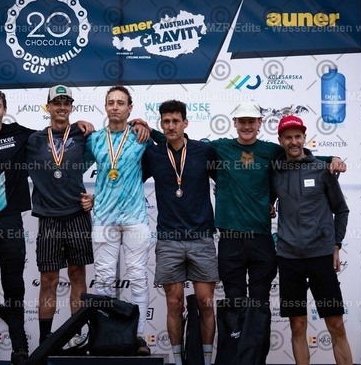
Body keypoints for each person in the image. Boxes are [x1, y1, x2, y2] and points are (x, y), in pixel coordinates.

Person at [0, 88, 94, 364]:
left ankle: (25, 348)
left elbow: (63, 138)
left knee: (17, 287)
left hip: (15, 221)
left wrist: (83, 125)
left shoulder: (23, 135)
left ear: (4, 109)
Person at [211, 101, 346, 363]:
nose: (247, 126)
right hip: (256, 248)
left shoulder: (276, 153)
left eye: (252, 121)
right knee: (244, 310)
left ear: (260, 123)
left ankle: (256, 360)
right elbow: (185, 145)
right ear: (235, 123)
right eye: (242, 121)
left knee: (264, 309)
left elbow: (307, 160)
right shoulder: (222, 148)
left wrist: (332, 159)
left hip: (290, 249)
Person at [271, 115, 352, 365]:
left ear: (305, 138)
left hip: (320, 256)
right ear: (281, 141)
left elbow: (341, 210)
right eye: (288, 137)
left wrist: (336, 244)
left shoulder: (322, 169)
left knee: (336, 324)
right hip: (289, 258)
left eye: (298, 136)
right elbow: (266, 200)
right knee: (297, 325)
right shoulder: (275, 172)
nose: (293, 142)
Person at [142, 100, 218, 365]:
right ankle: (177, 361)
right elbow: (129, 180)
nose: (171, 126)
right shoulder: (153, 154)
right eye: (166, 121)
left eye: (176, 121)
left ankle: (206, 361)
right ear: (161, 124)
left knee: (206, 302)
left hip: (201, 237)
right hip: (169, 239)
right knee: (174, 303)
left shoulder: (204, 151)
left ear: (185, 123)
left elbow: (228, 182)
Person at [84, 85, 152, 356]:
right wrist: (83, 196)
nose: (115, 107)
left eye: (120, 103)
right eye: (111, 102)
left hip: (135, 217)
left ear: (129, 108)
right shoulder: (94, 139)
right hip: (104, 217)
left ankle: (139, 336)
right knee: (103, 280)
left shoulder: (140, 136)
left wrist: (147, 126)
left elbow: (169, 150)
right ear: (105, 106)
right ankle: (106, 337)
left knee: (138, 278)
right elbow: (70, 165)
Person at [25, 85, 94, 349]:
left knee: (77, 276)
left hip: (77, 214)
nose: (62, 107)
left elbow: (111, 163)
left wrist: (95, 198)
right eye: (57, 102)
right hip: (49, 218)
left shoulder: (83, 134)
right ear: (48, 107)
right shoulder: (33, 140)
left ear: (71, 107)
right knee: (48, 280)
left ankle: (78, 336)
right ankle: (45, 341)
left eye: (66, 103)